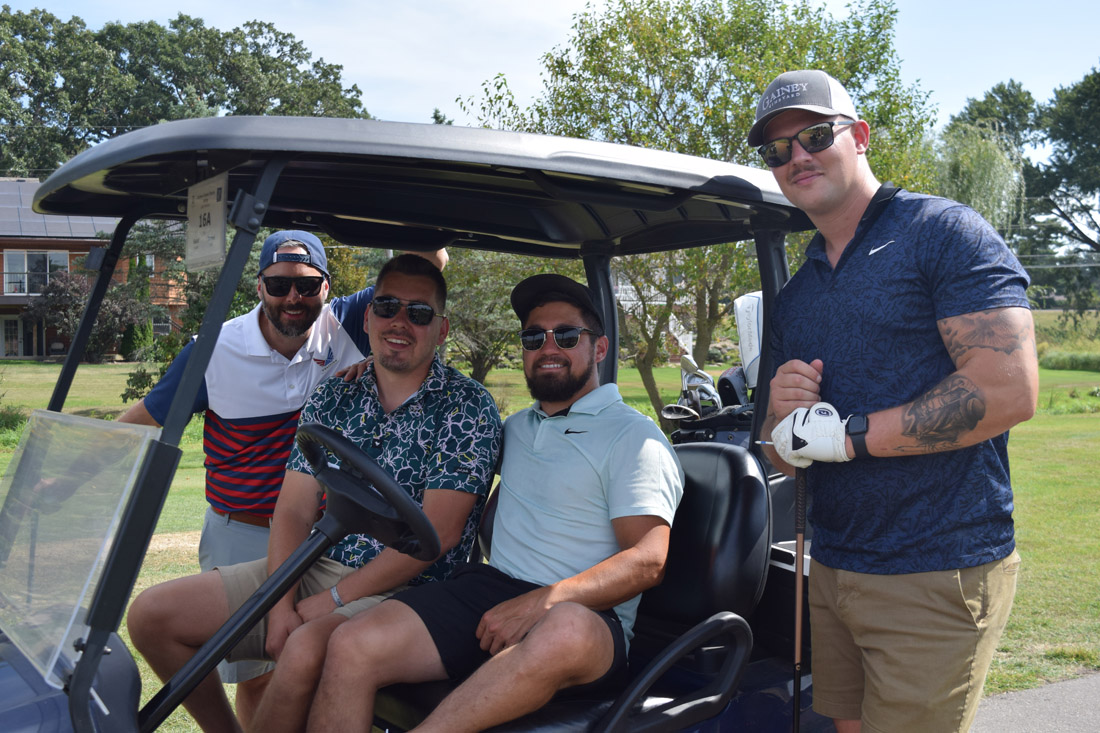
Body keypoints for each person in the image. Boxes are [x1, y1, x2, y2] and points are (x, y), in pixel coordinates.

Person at [247, 274, 684, 733]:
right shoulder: (517, 428)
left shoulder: (633, 437)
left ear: (600, 348)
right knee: (350, 643)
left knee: (566, 627)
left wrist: (542, 602)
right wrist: (372, 367)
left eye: (567, 335)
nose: (548, 347)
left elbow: (647, 560)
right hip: (488, 590)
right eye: (534, 337)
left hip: (587, 614)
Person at [751, 70, 1038, 732]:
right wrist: (781, 422)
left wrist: (847, 436)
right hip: (833, 567)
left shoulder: (943, 233)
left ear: (859, 135)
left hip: (936, 569)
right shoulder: (798, 292)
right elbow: (780, 453)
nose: (797, 157)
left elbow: (1008, 389)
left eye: (815, 136)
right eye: (778, 149)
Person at [126, 254, 500, 733]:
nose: (400, 322)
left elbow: (440, 535)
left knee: (303, 647)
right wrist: (280, 602)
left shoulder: (466, 407)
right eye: (387, 307)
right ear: (368, 318)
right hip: (319, 565)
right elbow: (294, 509)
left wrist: (334, 599)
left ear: (441, 329)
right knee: (153, 617)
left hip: (410, 590)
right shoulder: (335, 395)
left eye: (419, 313)